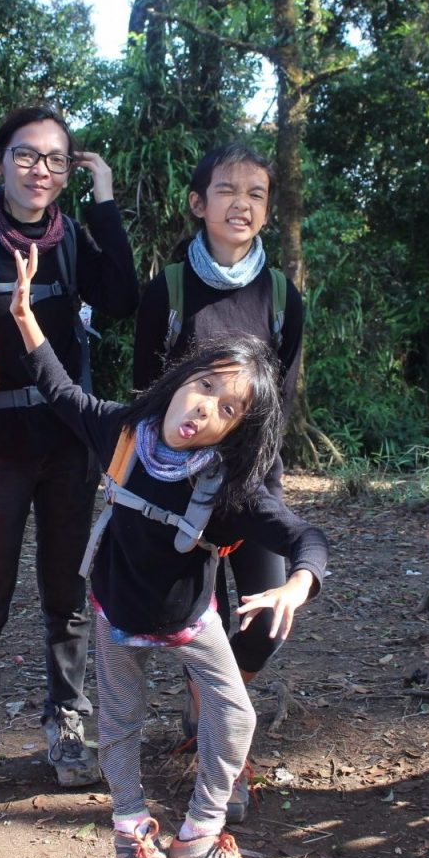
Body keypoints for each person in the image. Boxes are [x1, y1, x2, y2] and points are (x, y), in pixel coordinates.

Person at [10, 244, 327, 858]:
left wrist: (299, 583)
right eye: (205, 385)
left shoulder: (229, 485)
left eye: (229, 410)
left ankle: (199, 842)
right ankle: (133, 839)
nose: (206, 408)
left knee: (234, 715)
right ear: (182, 377)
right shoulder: (123, 433)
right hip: (117, 611)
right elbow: (61, 390)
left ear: (237, 432)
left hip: (190, 619)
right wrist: (24, 317)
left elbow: (306, 537)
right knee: (120, 725)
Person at [0, 107, 139, 821]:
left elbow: (122, 299)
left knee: (67, 597)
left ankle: (68, 725)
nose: (41, 171)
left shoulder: (70, 240)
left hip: (64, 445)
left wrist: (104, 198)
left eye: (56, 160)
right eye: (27, 155)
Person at [132, 142, 305, 822]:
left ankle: (210, 710)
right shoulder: (169, 289)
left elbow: (279, 399)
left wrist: (257, 474)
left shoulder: (283, 296)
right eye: (228, 191)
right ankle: (220, 746)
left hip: (252, 482)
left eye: (256, 194)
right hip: (181, 488)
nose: (242, 204)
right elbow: (148, 393)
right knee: (194, 617)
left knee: (263, 623)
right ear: (199, 203)